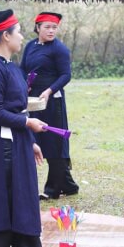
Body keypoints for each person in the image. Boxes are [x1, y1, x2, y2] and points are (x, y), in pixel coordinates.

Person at [0, 9, 69, 247]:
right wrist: (28, 125)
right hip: (0, 146)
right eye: (18, 32)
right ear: (5, 36)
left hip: (16, 143)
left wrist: (30, 142)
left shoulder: (11, 67)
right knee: (3, 207)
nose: (22, 36)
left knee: (23, 205)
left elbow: (17, 108)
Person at [20, 12, 79, 200]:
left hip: (52, 101)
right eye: (47, 27)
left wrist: (49, 90)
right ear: (37, 27)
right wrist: (22, 86)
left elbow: (65, 75)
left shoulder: (59, 49)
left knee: (54, 141)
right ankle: (69, 185)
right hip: (33, 99)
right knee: (36, 138)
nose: (51, 30)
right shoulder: (30, 46)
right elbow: (23, 69)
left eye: (54, 27)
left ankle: (52, 189)